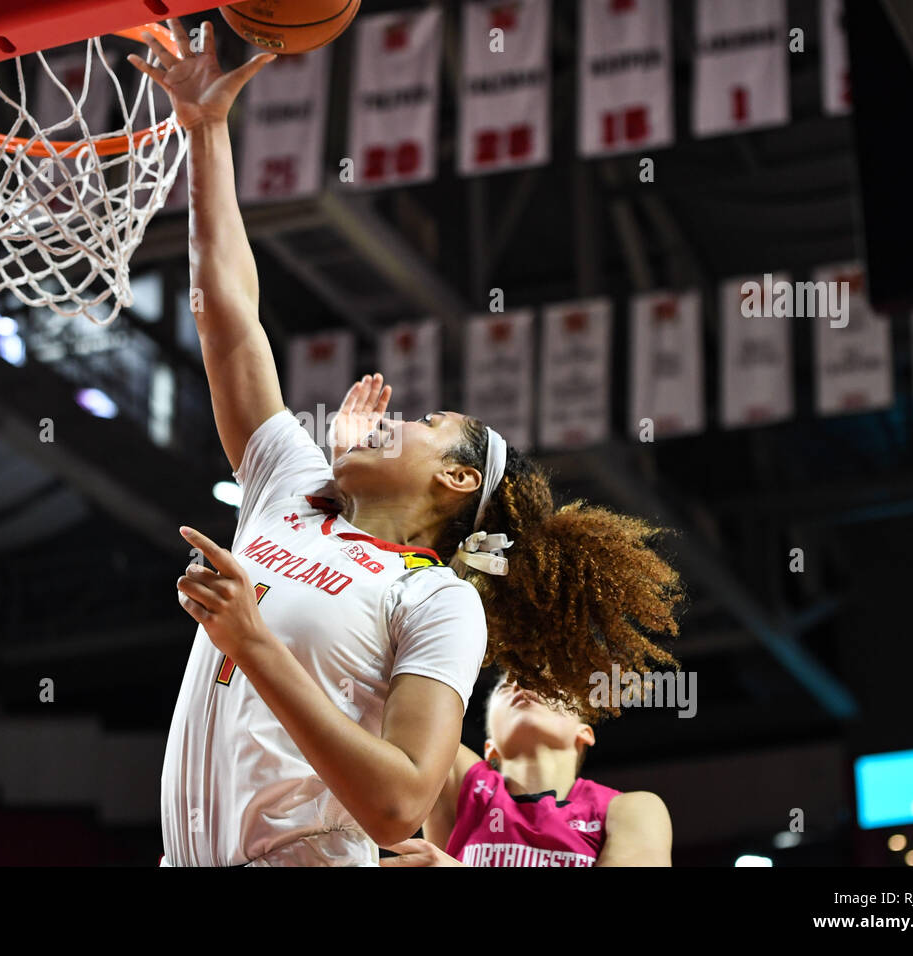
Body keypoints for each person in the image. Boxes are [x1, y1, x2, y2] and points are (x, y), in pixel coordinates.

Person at [130, 18, 684, 867]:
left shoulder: (438, 602)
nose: (397, 416)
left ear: (459, 478)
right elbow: (232, 321)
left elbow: (395, 806)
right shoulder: (292, 492)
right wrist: (205, 133)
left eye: (424, 424)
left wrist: (255, 646)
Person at [382, 675, 673, 866]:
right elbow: (400, 693)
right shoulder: (462, 781)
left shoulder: (633, 808)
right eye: (506, 683)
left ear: (584, 732)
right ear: (490, 746)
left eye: (547, 680)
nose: (520, 683)